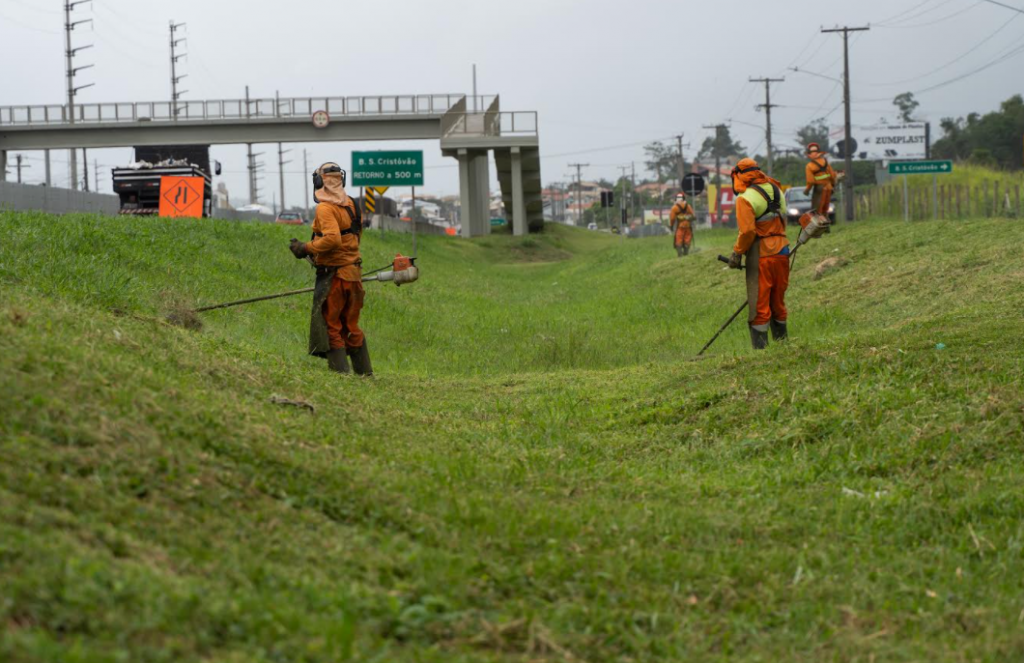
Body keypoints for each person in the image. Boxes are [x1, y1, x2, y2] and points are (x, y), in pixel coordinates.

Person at [289, 163, 372, 376]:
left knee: (331, 325)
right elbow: (356, 236)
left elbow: (333, 240)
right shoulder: (353, 204)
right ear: (340, 180)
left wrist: (305, 248)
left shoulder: (325, 208)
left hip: (335, 276)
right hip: (354, 274)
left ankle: (340, 375)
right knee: (350, 325)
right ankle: (365, 374)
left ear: (318, 182)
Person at [726, 158, 792, 350]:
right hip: (783, 250)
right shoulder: (777, 189)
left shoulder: (744, 197)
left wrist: (737, 254)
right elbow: (784, 218)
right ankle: (783, 347)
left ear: (738, 176)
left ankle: (761, 353)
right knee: (778, 301)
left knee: (759, 305)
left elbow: (747, 232)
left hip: (761, 255)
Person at [802, 142, 837, 227]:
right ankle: (826, 227)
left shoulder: (809, 166)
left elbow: (810, 182)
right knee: (825, 208)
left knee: (817, 209)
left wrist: (807, 191)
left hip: (819, 189)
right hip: (828, 187)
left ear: (809, 154)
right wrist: (832, 186)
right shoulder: (825, 162)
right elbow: (833, 176)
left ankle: (819, 228)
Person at [669, 193, 695, 257]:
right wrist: (689, 218)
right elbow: (693, 216)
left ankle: (680, 255)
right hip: (688, 226)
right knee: (687, 239)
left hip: (680, 227)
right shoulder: (688, 206)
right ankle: (686, 253)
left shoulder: (674, 208)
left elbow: (672, 219)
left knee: (678, 240)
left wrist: (671, 226)